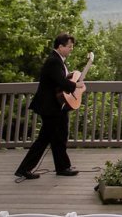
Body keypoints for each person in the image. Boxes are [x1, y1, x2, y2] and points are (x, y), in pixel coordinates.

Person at [14, 33, 80, 179]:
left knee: (60, 136)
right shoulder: (54, 61)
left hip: (58, 105)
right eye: (69, 47)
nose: (71, 49)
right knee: (45, 138)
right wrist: (76, 85)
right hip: (49, 106)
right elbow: (61, 82)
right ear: (60, 46)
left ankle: (62, 167)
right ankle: (24, 169)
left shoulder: (58, 60)